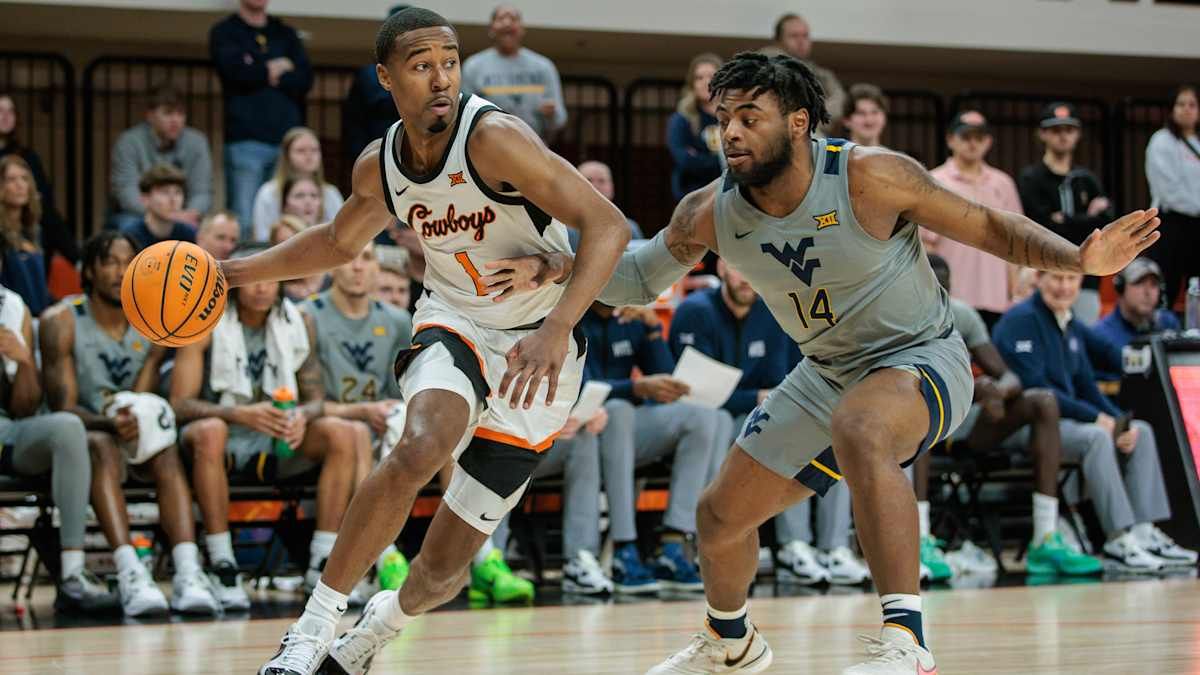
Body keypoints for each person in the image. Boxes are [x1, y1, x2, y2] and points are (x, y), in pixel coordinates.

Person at [517, 51, 1160, 673]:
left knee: (861, 425)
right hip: (825, 373)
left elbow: (991, 227)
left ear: (798, 121)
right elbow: (633, 281)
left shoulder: (869, 176)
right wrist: (560, 268)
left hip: (923, 358)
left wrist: (1078, 260)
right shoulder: (710, 211)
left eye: (749, 117)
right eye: (723, 119)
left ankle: (907, 642)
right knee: (718, 519)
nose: (731, 133)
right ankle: (730, 642)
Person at [219, 9, 627, 674]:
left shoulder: (495, 137)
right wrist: (237, 270)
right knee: (420, 443)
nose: (441, 77)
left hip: (540, 350)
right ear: (386, 77)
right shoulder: (380, 166)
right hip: (456, 319)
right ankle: (313, 627)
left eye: (450, 61)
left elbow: (606, 225)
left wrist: (558, 327)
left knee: (444, 570)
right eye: (421, 64)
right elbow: (335, 241)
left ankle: (376, 631)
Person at [170, 243, 365, 611]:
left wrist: (301, 417)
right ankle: (222, 562)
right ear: (235, 282)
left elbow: (315, 398)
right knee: (211, 429)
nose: (261, 287)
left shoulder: (298, 320)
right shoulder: (203, 321)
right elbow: (179, 404)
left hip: (276, 439)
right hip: (220, 439)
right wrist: (239, 414)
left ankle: (322, 562)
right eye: (254, 279)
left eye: (269, 279)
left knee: (341, 432)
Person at [40, 231, 220, 616]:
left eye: (127, 262)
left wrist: (155, 360)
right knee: (100, 445)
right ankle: (130, 573)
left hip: (136, 432)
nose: (120, 272)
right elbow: (63, 408)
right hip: (86, 434)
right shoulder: (62, 320)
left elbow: (145, 397)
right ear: (88, 270)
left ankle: (188, 572)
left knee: (165, 446)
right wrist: (110, 424)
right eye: (110, 262)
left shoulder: (152, 318)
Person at [668, 260, 869, 587]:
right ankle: (793, 545)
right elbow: (691, 392)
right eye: (737, 268)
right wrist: (754, 398)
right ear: (721, 269)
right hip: (721, 418)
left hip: (760, 413)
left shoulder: (773, 311)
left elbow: (780, 380)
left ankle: (832, 548)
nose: (746, 277)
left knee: (830, 434)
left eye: (750, 269)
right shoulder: (695, 311)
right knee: (778, 438)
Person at [993, 270, 1197, 573]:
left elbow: (1086, 384)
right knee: (1096, 437)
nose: (1064, 287)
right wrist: (1097, 419)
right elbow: (1037, 390)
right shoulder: (1020, 321)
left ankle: (1144, 531)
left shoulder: (1068, 322)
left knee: (1140, 430)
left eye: (1071, 280)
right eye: (1056, 279)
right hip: (1023, 427)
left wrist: (1117, 421)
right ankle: (1117, 539)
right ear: (1039, 279)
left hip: (1066, 425)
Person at [914, 254, 1103, 579]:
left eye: (943, 289)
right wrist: (978, 388)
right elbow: (907, 383)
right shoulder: (900, 320)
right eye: (930, 287)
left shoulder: (962, 316)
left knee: (1043, 401)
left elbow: (1011, 377)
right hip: (922, 421)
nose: (937, 296)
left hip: (968, 427)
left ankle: (1045, 537)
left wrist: (997, 391)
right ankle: (919, 538)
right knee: (923, 410)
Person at [580, 302, 720, 593]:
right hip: (580, 424)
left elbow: (668, 382)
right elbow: (582, 386)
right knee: (619, 409)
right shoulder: (575, 315)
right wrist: (635, 388)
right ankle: (624, 548)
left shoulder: (631, 319)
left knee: (703, 417)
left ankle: (674, 543)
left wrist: (654, 330)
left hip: (626, 428)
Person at [302, 241, 413, 604]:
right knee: (352, 435)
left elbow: (404, 390)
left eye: (366, 259)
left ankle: (476, 558)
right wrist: (363, 412)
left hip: (380, 426)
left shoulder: (397, 321)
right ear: (332, 266)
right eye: (348, 259)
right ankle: (357, 557)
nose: (357, 267)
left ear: (377, 269)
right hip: (319, 428)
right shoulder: (308, 315)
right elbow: (308, 404)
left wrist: (385, 412)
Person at [0, 275, 115, 613]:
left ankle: (73, 573)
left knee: (67, 428)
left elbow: (24, 406)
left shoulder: (11, 306)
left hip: (6, 429)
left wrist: (23, 361)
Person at [210, 0, 313, 230]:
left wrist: (258, 69)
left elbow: (304, 79)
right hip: (245, 141)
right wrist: (278, 67)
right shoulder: (225, 32)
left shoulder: (285, 33)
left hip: (286, 142)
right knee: (244, 218)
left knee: (289, 218)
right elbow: (234, 73)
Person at [490, 406, 611, 595]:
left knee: (583, 438)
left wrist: (589, 413)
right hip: (498, 434)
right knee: (500, 446)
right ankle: (490, 562)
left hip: (542, 438)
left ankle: (579, 560)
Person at [1017, 102, 1114, 325]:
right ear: (1043, 134)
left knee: (1082, 341)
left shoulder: (1086, 178)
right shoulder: (1031, 178)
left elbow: (1105, 223)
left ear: (1078, 134)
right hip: (1044, 272)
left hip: (1085, 276)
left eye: (1069, 130)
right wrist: (1084, 219)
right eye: (1056, 130)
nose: (1063, 136)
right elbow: (1041, 226)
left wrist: (1066, 219)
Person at [925, 111, 1023, 325]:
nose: (973, 143)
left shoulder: (1003, 184)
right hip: (951, 296)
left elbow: (1013, 244)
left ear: (988, 142)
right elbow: (925, 245)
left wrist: (1015, 293)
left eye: (979, 138)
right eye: (966, 137)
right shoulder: (934, 181)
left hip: (996, 296)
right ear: (950, 139)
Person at [109, 83, 212, 231]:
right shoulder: (129, 141)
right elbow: (126, 192)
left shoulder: (197, 142)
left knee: (208, 231)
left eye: (180, 113)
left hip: (184, 213)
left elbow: (202, 192)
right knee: (128, 227)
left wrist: (189, 213)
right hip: (139, 214)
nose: (175, 120)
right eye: (168, 113)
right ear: (150, 115)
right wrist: (163, 215)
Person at [461, 4, 567, 143]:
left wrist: (551, 114)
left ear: (522, 29)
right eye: (501, 18)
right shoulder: (473, 66)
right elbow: (464, 115)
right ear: (491, 29)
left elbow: (560, 120)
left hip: (534, 147)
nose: (507, 22)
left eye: (513, 18)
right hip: (488, 148)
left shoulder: (543, 66)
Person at [0, 92, 74, 267]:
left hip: (26, 219)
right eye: (0, 110)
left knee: (48, 217)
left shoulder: (27, 156)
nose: (6, 116)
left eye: (11, 111)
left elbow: (43, 196)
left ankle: (78, 261)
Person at [1145, 84, 1200, 308]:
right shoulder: (1161, 141)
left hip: (1198, 225)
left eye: (1192, 105)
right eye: (1181, 104)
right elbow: (1169, 190)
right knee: (1168, 284)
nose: (1186, 109)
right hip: (1172, 223)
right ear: (1171, 109)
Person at [251, 127, 346, 240]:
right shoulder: (269, 192)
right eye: (301, 150)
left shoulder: (330, 193)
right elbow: (263, 237)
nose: (309, 155)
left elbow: (341, 234)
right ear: (287, 155)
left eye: (314, 150)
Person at [342, 5, 408, 164]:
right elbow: (353, 120)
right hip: (376, 153)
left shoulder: (428, 73)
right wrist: (360, 156)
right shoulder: (368, 75)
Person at [771, 14, 845, 135]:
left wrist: (811, 116)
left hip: (810, 134)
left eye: (805, 36)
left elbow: (840, 101)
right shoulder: (764, 66)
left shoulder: (823, 75)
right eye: (793, 36)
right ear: (779, 41)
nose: (801, 41)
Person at [667, 54, 725, 203]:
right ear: (692, 84)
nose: (706, 82)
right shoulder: (681, 119)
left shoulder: (732, 116)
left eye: (711, 76)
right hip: (694, 198)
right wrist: (721, 161)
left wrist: (700, 156)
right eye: (699, 78)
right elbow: (685, 161)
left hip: (729, 197)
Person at [1094, 257, 1181, 350]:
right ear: (1121, 288)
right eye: (1139, 283)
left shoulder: (1169, 323)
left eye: (1154, 284)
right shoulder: (1102, 335)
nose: (1147, 292)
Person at [0, 155, 51, 315]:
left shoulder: (34, 230)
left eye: (24, 178)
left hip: (38, 315)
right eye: (11, 179)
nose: (20, 185)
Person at [119, 164, 197, 249]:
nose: (173, 200)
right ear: (145, 199)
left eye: (178, 192)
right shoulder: (130, 235)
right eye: (164, 192)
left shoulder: (189, 235)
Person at [571, 160, 643, 249]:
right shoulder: (563, 230)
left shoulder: (630, 228)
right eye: (588, 180)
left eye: (602, 181)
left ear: (611, 188)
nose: (595, 186)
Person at [270, 215, 326, 300]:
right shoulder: (276, 287)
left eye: (294, 240)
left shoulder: (330, 273)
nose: (291, 248)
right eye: (282, 244)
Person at [842, 83, 887, 148]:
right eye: (861, 113)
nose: (869, 120)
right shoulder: (835, 157)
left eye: (875, 112)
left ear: (884, 117)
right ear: (846, 120)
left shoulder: (896, 157)